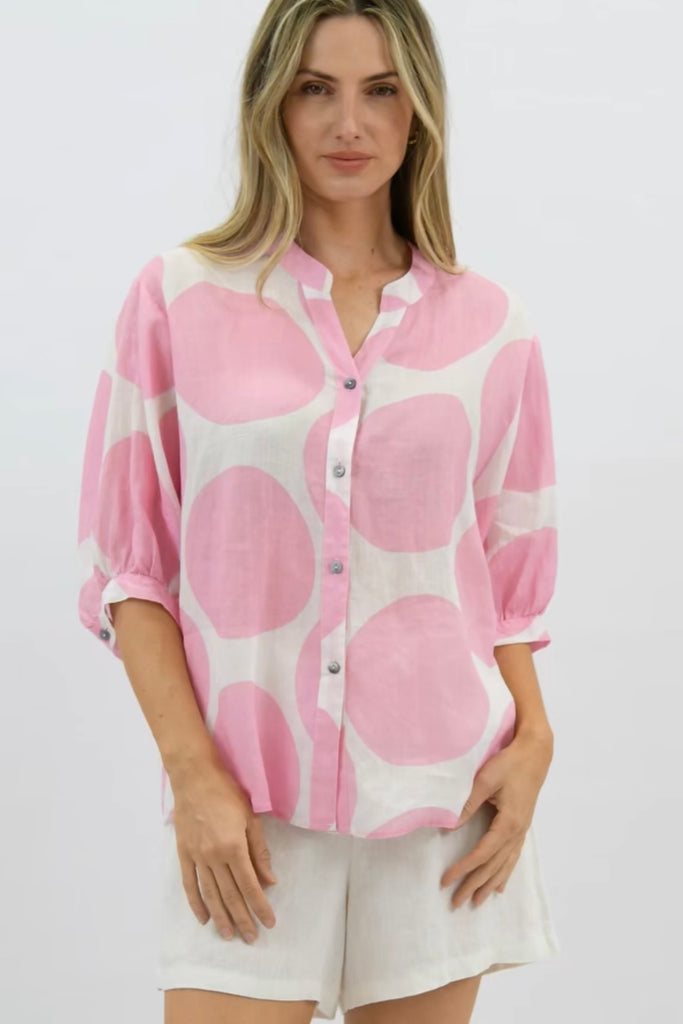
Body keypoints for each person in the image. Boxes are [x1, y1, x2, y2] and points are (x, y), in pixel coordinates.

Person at [75, 1, 561, 1021]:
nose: (349, 123)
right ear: (272, 105)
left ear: (419, 109)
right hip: (245, 814)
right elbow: (131, 573)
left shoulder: (491, 325)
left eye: (381, 90)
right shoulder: (179, 297)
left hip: (443, 806)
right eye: (315, 89)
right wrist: (194, 778)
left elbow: (502, 590)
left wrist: (535, 744)